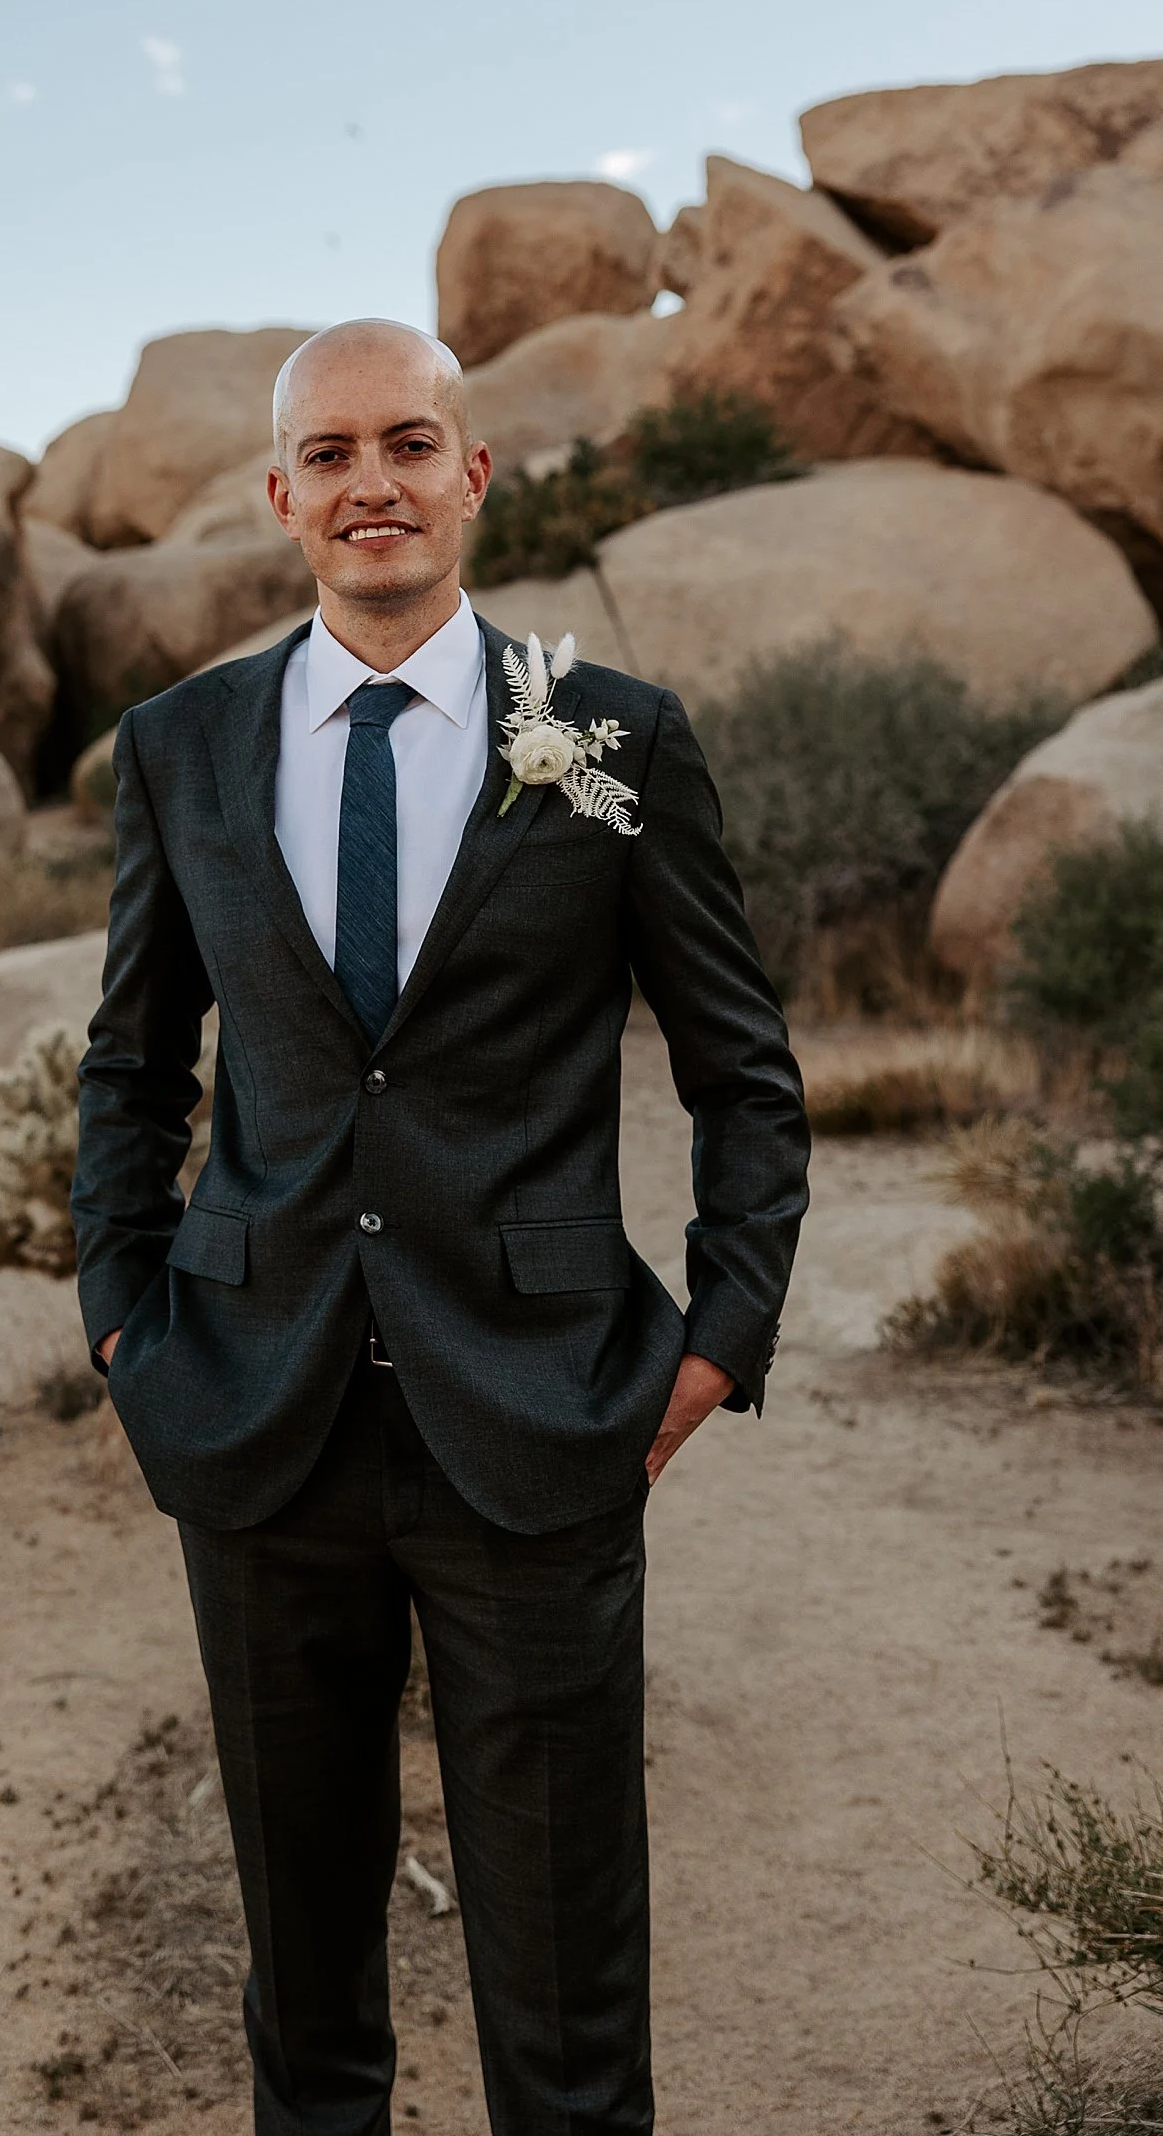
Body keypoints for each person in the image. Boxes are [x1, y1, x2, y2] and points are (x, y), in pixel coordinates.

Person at [73, 315, 808, 2136]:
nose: (372, 480)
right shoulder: (179, 745)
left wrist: (720, 1331)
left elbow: (744, 1068)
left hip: (542, 1409)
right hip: (256, 1414)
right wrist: (123, 1316)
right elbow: (131, 1064)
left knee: (567, 2004)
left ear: (473, 472)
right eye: (330, 452)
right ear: (280, 493)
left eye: (410, 441)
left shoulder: (616, 737)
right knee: (304, 1995)